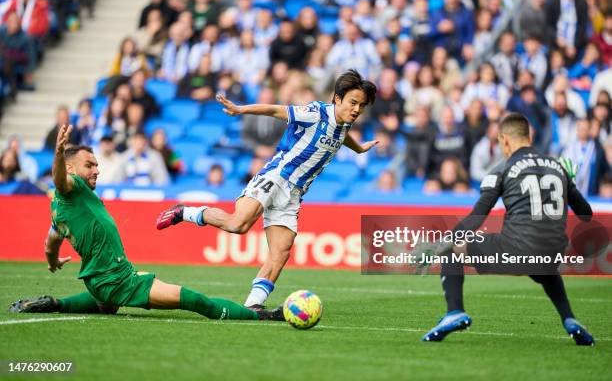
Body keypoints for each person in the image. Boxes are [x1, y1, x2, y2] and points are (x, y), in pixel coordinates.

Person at [9, 124, 283, 322]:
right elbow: (59, 180)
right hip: (116, 281)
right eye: (89, 165)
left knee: (107, 306)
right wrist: (58, 154)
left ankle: (55, 304)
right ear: (70, 169)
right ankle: (260, 315)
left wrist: (52, 260)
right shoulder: (71, 188)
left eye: (96, 165)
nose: (97, 169)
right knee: (194, 299)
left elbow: (50, 241)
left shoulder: (59, 209)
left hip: (100, 281)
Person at [157, 70, 378, 309]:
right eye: (353, 103)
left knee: (281, 251)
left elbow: (342, 135)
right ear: (337, 98)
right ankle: (185, 212)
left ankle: (253, 305)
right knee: (238, 224)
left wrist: (359, 149)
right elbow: (276, 110)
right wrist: (241, 110)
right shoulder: (315, 113)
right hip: (275, 176)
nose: (356, 110)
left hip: (293, 194)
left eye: (362, 106)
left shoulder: (344, 125)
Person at [418, 113, 595, 346]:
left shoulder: (502, 168)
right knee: (544, 266)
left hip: (516, 249)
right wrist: (568, 182)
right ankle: (569, 319)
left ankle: (455, 311)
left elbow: (476, 218)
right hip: (552, 253)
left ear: (504, 139)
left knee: (453, 248)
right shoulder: (558, 167)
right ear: (528, 137)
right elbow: (586, 214)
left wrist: (440, 244)